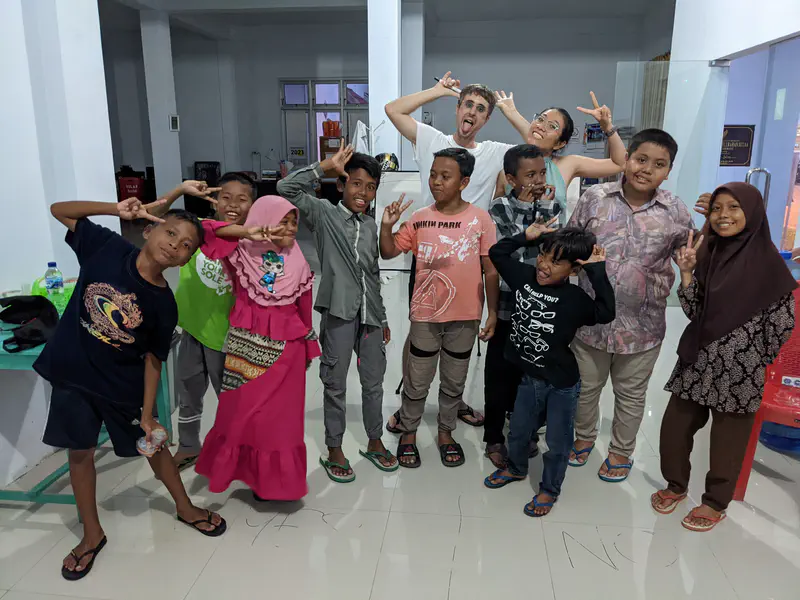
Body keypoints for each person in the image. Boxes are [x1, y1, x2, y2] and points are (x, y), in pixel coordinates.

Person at [35, 197, 226, 581]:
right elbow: (60, 210)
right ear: (149, 229)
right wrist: (115, 209)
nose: (175, 244)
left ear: (186, 260)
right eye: (170, 232)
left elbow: (153, 360)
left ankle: (185, 507)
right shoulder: (107, 247)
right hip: (74, 374)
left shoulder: (163, 304)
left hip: (121, 385)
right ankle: (92, 533)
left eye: (186, 244)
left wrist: (148, 412)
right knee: (80, 452)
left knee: (152, 445)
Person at [652, 183, 796, 531]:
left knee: (728, 442)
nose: (723, 216)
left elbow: (782, 322)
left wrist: (752, 356)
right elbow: (692, 310)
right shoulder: (707, 253)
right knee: (674, 429)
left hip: (742, 369)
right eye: (716, 209)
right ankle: (676, 484)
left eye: (733, 207)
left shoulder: (770, 264)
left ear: (753, 212)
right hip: (696, 360)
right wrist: (686, 272)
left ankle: (715, 502)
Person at [384, 71, 519, 429]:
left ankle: (454, 401)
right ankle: (409, 401)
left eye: (481, 109)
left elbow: (536, 146)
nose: (472, 112)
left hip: (472, 262)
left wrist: (510, 112)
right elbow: (393, 110)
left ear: (486, 118)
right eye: (468, 104)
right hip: (429, 258)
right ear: (458, 108)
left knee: (461, 339)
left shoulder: (494, 153)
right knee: (420, 335)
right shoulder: (433, 140)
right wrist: (436, 91)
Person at [566, 128, 695, 482]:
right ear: (626, 158)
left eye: (658, 164)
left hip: (643, 326)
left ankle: (621, 452)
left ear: (668, 171)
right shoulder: (594, 198)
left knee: (631, 394)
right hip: (589, 321)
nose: (646, 169)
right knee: (585, 387)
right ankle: (583, 439)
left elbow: (692, 255)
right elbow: (571, 242)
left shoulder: (676, 211)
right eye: (640, 159)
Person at [276, 143, 397, 483]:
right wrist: (324, 166)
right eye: (357, 184)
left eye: (371, 187)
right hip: (339, 313)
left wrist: (383, 317)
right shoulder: (323, 213)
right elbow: (285, 188)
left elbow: (372, 274)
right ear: (342, 185)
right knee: (335, 383)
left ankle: (374, 441)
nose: (364, 193)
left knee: (374, 384)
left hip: (370, 316)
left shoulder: (371, 226)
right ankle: (334, 447)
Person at [483, 219, 615, 517]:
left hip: (561, 384)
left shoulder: (575, 299)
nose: (544, 265)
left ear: (574, 269)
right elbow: (497, 253)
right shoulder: (524, 276)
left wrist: (596, 271)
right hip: (530, 378)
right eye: (543, 255)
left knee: (557, 442)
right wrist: (526, 238)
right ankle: (516, 468)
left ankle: (549, 489)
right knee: (517, 431)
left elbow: (606, 312)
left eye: (556, 262)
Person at [194, 196, 320, 501]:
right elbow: (203, 230)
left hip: (288, 349)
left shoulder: (297, 257)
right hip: (246, 348)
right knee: (241, 415)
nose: (290, 228)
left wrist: (308, 346)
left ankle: (277, 486)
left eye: (294, 222)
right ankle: (243, 474)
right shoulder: (240, 250)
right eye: (283, 220)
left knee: (281, 422)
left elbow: (304, 305)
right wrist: (246, 231)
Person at [379, 148, 499, 467]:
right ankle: (408, 432)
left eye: (445, 176)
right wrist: (386, 226)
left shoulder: (480, 220)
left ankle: (446, 432)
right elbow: (388, 251)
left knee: (454, 379)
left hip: (465, 317)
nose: (436, 182)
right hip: (425, 316)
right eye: (433, 174)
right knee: (417, 378)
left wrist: (492, 312)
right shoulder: (420, 219)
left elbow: (490, 269)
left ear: (464, 182)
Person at [154, 173, 257, 471]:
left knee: (231, 402)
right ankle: (188, 445)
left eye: (242, 199)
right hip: (191, 331)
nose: (233, 204)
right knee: (187, 392)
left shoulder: (250, 240)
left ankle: (237, 452)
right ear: (214, 199)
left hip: (229, 338)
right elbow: (156, 217)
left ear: (253, 204)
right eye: (225, 197)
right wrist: (178, 190)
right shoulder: (198, 231)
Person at [484, 144, 554, 467]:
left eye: (542, 173)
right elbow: (506, 254)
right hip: (508, 307)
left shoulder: (550, 208)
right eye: (530, 175)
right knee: (499, 375)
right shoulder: (498, 208)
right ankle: (494, 437)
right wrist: (528, 218)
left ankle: (524, 432)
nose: (538, 180)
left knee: (531, 377)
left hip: (538, 309)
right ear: (511, 179)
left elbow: (549, 254)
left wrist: (541, 212)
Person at [497, 90, 627, 220]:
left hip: (553, 239)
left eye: (552, 126)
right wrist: (512, 113)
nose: (541, 126)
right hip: (514, 238)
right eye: (540, 119)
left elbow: (620, 163)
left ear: (560, 144)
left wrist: (607, 127)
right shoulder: (507, 173)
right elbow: (494, 222)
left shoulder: (567, 164)